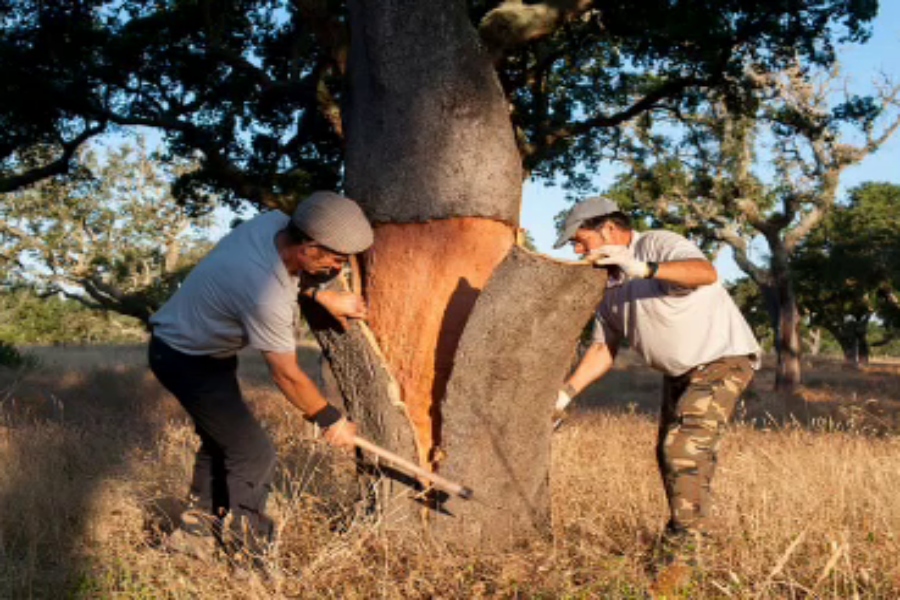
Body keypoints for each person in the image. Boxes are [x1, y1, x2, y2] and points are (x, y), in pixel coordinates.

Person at [148, 190, 373, 566]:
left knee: (221, 440)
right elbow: (285, 374)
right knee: (254, 453)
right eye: (336, 259)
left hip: (202, 351)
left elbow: (289, 273)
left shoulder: (274, 225)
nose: (340, 268)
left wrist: (319, 295)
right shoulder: (263, 295)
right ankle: (249, 556)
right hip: (183, 359)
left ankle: (194, 533)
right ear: (309, 247)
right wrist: (329, 419)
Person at [553, 196, 760, 568]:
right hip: (679, 373)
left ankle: (687, 556)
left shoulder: (655, 244)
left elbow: (704, 273)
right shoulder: (607, 284)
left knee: (682, 449)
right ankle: (683, 535)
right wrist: (564, 396)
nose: (578, 250)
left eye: (581, 240)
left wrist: (641, 267)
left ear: (610, 230)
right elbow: (603, 349)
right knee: (672, 456)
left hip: (720, 360)